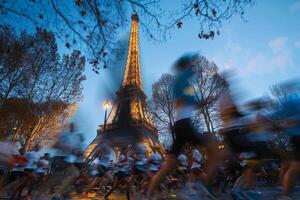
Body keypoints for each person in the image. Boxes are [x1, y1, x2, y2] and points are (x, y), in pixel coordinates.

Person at [147, 53, 221, 199]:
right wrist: (201, 101)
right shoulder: (183, 80)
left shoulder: (183, 80)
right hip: (185, 124)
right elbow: (185, 100)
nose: (193, 65)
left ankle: (148, 194)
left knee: (169, 165)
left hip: (180, 124)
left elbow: (186, 101)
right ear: (185, 65)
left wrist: (203, 101)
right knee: (215, 150)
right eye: (191, 63)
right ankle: (204, 183)